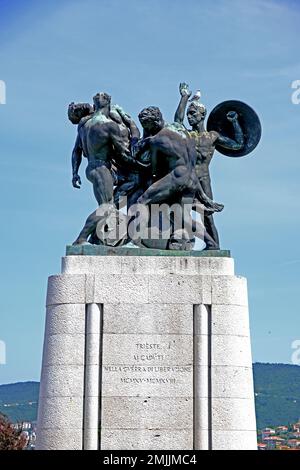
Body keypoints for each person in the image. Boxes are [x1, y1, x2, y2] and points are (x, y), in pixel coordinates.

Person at [174, 83, 244, 249]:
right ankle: (184, 244)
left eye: (193, 114)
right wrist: (184, 98)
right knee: (183, 212)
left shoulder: (212, 136)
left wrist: (234, 122)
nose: (190, 117)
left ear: (202, 115)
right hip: (187, 179)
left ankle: (213, 246)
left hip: (204, 179)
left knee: (207, 214)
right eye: (189, 114)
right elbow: (177, 121)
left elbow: (237, 144)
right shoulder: (187, 134)